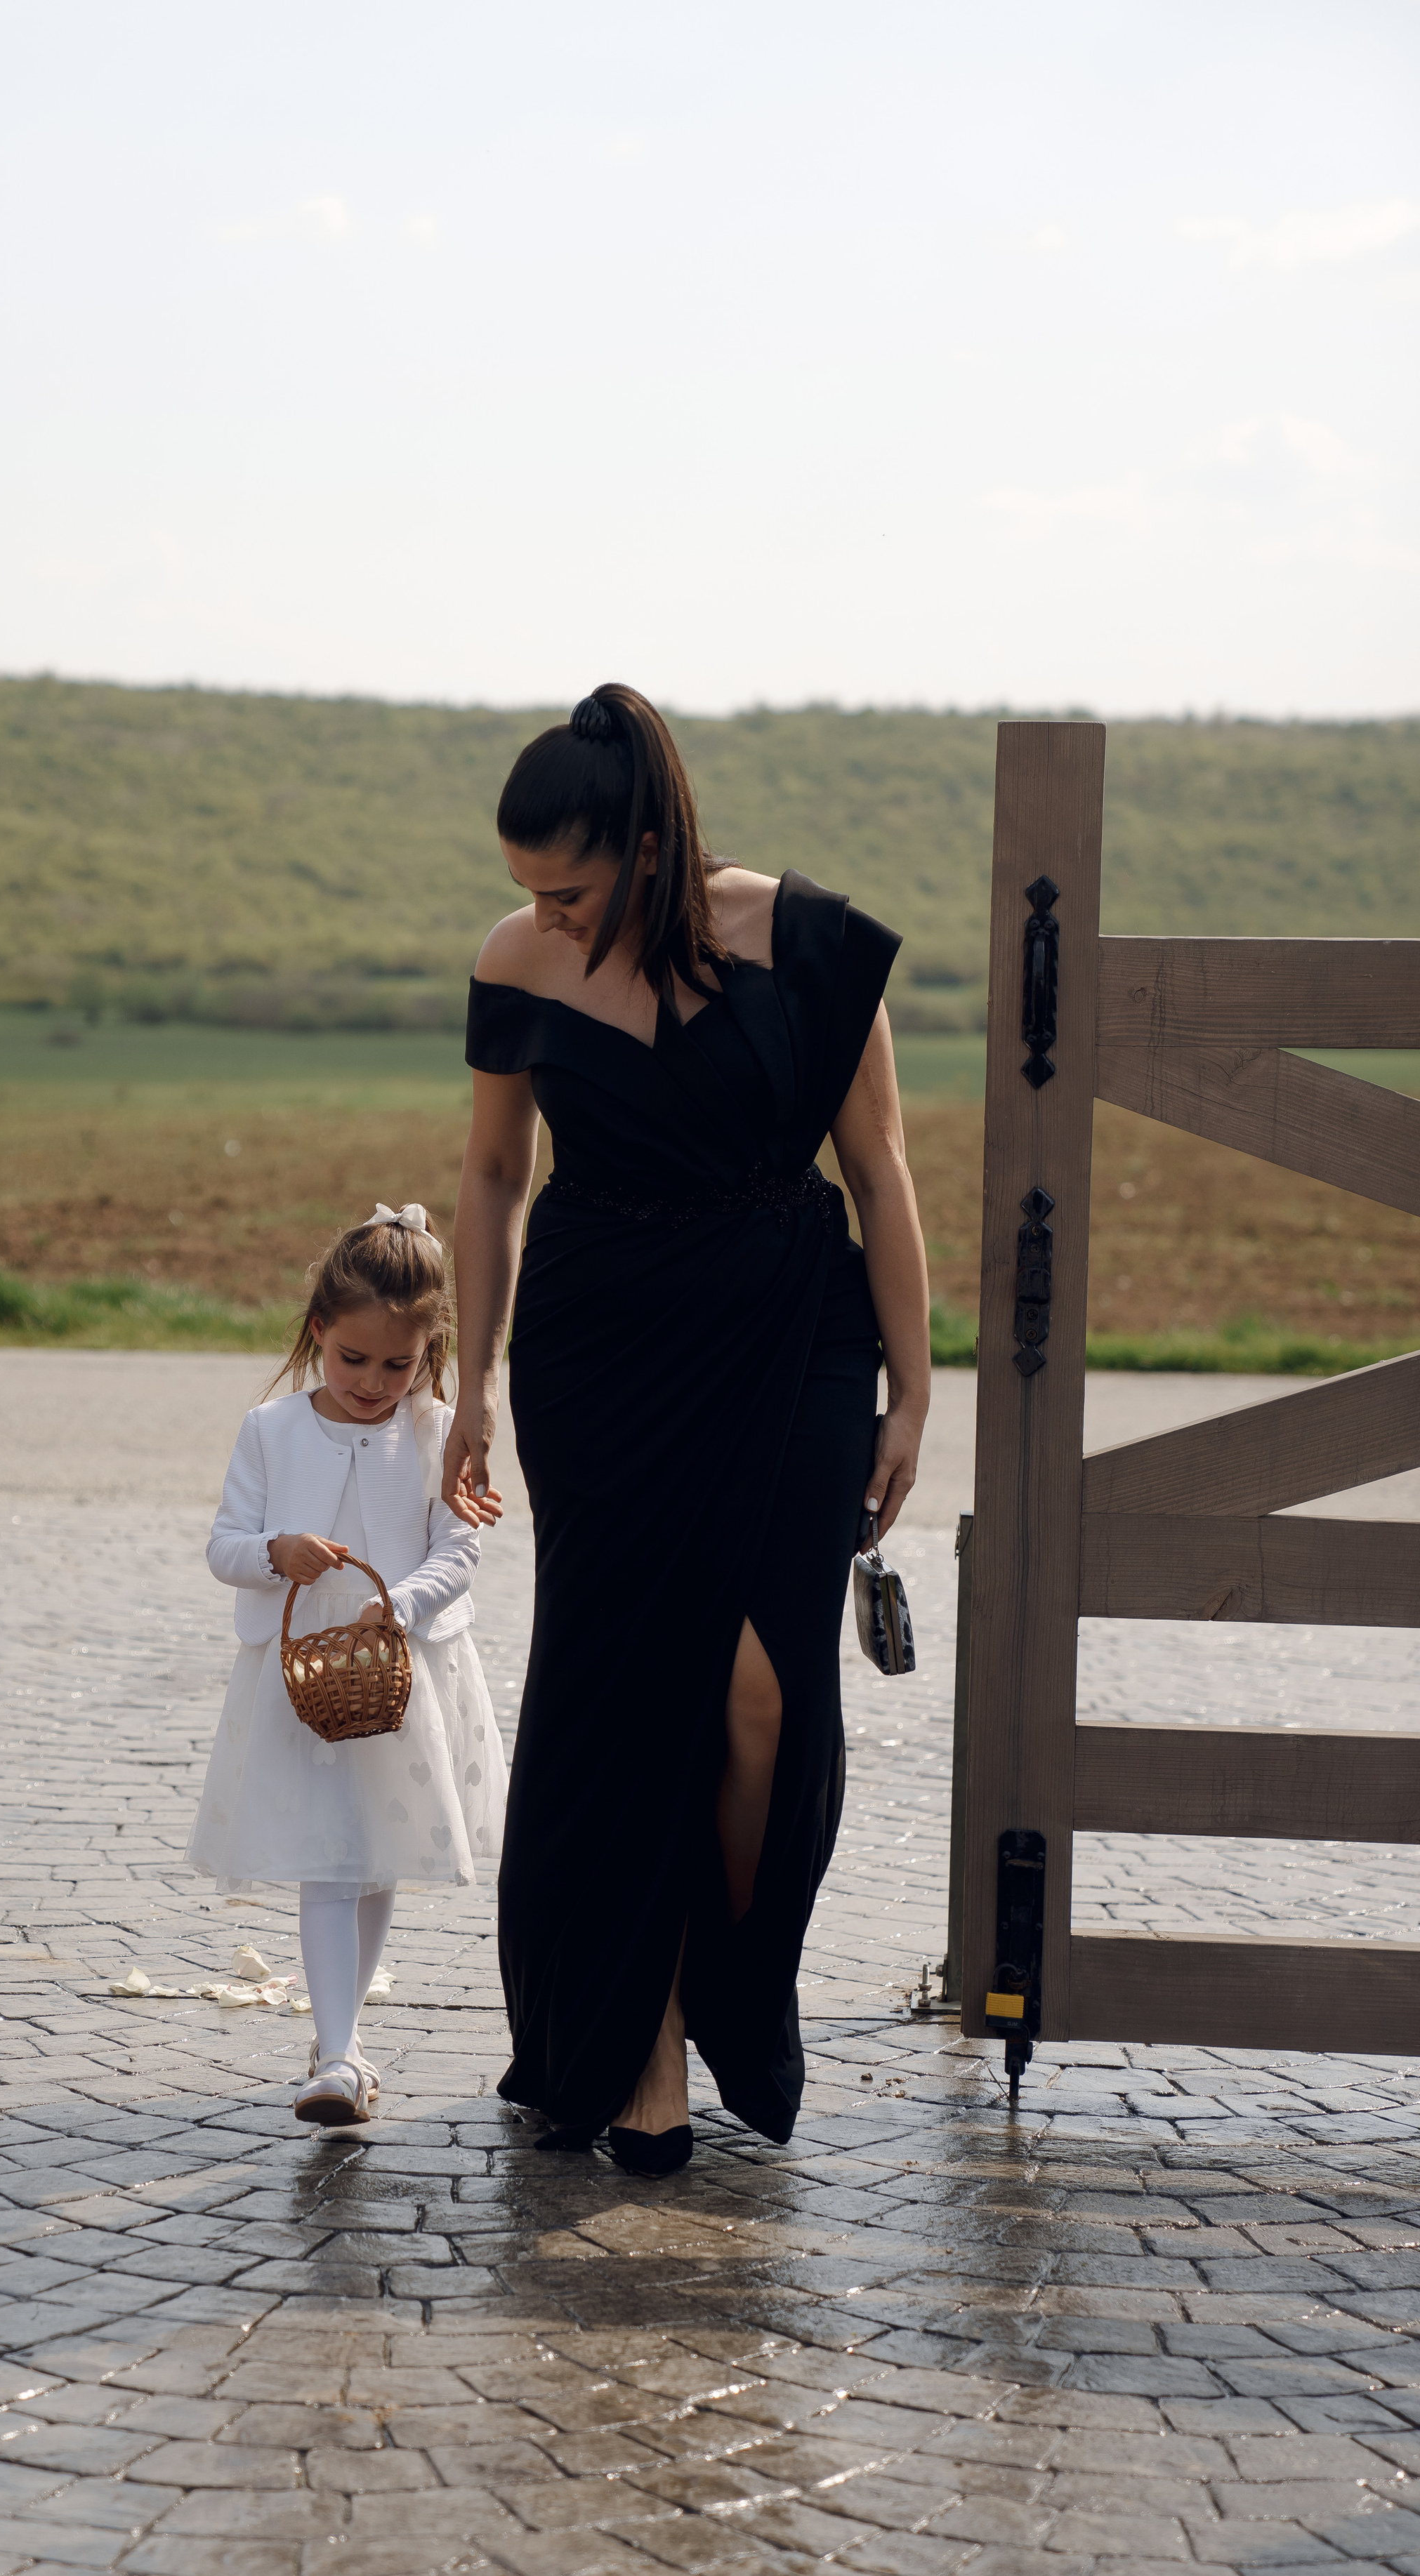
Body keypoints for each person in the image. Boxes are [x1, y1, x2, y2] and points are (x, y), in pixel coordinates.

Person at [445, 685, 930, 2174]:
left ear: (649, 849)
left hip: (793, 1343)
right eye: (527, 890)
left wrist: (914, 1389)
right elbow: (492, 1176)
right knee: (623, 1694)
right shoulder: (516, 962)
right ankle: (639, 2038)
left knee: (761, 1700)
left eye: (570, 892)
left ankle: (727, 1982)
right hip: (599, 1359)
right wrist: (470, 1382)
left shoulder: (811, 947)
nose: (543, 918)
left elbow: (880, 1168)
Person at [189, 1203, 507, 2128]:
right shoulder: (271, 1430)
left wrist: (401, 1603)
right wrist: (275, 1551)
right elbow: (224, 1545)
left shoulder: (440, 1430)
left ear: (429, 1350)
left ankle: (344, 2039)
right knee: (329, 1862)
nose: (373, 1383)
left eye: (397, 1366)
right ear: (319, 1330)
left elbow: (461, 1547)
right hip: (303, 1682)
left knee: (375, 1861)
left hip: (401, 1676)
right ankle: (335, 2054)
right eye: (353, 1359)